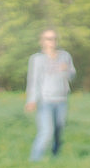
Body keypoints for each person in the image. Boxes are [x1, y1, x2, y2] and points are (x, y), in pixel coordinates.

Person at [25, 29, 76, 161]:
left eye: (53, 38)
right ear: (42, 41)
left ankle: (55, 159)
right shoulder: (37, 59)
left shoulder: (65, 56)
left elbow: (72, 76)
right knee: (46, 132)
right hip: (45, 101)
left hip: (61, 100)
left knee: (58, 132)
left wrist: (67, 70)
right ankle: (34, 161)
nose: (51, 41)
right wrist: (31, 100)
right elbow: (34, 80)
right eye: (48, 38)